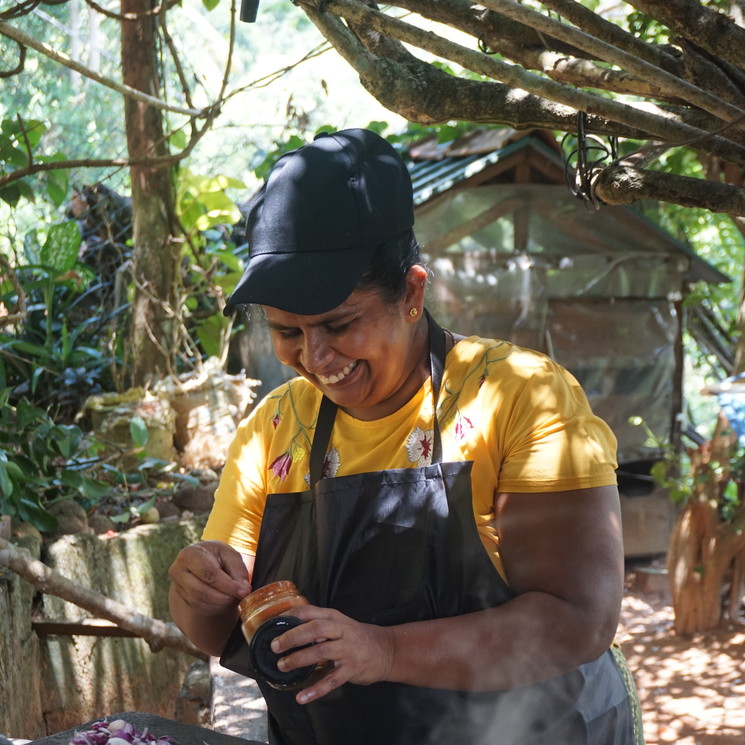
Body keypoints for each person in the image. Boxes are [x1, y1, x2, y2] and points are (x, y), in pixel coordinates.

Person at [168, 128, 642, 745]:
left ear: (412, 293)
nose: (314, 357)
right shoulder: (276, 428)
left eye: (339, 324)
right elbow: (218, 627)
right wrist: (197, 589)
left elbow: (576, 619)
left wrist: (384, 651)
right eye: (287, 332)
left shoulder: (521, 397)